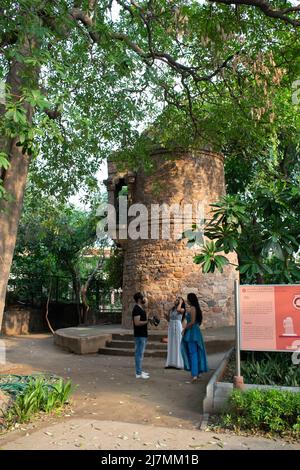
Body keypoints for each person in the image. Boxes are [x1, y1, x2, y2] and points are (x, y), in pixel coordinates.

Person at [181, 293, 208, 382]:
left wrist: (184, 329)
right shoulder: (197, 308)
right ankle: (197, 373)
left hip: (192, 333)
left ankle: (194, 374)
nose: (187, 300)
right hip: (196, 331)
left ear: (190, 300)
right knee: (197, 352)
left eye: (188, 299)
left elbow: (192, 322)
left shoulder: (192, 308)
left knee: (193, 353)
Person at [132, 292, 150, 379]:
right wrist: (147, 321)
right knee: (139, 354)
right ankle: (138, 373)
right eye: (143, 298)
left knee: (140, 353)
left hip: (143, 334)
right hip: (140, 335)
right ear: (139, 299)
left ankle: (139, 371)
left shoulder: (140, 308)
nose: (144, 299)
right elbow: (137, 323)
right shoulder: (136, 309)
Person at [165, 296, 185, 369]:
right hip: (171, 326)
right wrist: (166, 315)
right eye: (176, 300)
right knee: (171, 344)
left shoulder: (182, 309)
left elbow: (178, 309)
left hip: (177, 326)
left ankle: (179, 364)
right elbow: (169, 319)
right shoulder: (172, 309)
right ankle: (171, 363)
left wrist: (181, 302)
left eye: (177, 300)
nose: (175, 301)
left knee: (177, 344)